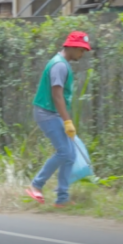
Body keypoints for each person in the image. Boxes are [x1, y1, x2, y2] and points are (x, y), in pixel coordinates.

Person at [26, 31, 90, 208]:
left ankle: (62, 198)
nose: (82, 54)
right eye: (81, 50)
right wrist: (67, 121)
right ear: (71, 47)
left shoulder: (62, 63)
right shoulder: (59, 66)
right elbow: (57, 95)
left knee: (69, 155)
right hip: (47, 113)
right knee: (64, 152)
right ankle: (36, 185)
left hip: (53, 113)